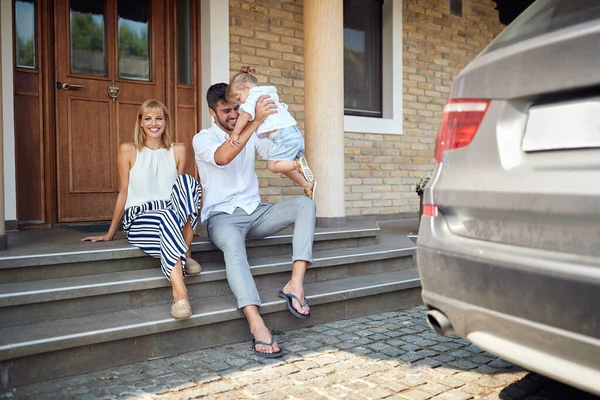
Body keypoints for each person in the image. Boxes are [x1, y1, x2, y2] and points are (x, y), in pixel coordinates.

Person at [193, 83, 316, 358]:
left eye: (237, 108)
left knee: (305, 205)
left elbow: (279, 158)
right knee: (235, 249)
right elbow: (223, 157)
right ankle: (256, 323)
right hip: (221, 218)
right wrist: (256, 119)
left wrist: (304, 182)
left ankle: (295, 285)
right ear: (213, 113)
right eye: (226, 111)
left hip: (255, 212)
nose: (234, 114)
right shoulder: (202, 139)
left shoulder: (252, 131)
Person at [82, 99, 202, 320]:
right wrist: (110, 233)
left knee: (188, 183)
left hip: (172, 216)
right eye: (148, 118)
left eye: (159, 118)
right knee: (167, 215)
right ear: (140, 122)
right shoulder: (128, 150)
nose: (153, 123)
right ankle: (180, 293)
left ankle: (186, 252)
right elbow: (123, 191)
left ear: (166, 121)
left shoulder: (179, 149)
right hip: (141, 217)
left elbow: (182, 194)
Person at [226, 66, 316, 200]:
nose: (241, 103)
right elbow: (283, 106)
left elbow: (245, 116)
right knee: (284, 162)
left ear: (246, 87)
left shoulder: (253, 96)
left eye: (239, 99)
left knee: (273, 166)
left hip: (281, 137)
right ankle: (307, 184)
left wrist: (235, 134)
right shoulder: (270, 92)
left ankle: (298, 164)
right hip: (294, 133)